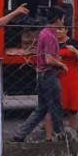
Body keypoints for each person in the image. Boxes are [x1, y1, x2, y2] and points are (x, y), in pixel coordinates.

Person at [11, 8, 68, 143]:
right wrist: (61, 64)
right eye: (63, 19)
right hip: (48, 74)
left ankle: (20, 134)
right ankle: (61, 135)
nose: (64, 22)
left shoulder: (44, 33)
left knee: (42, 108)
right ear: (58, 19)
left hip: (41, 74)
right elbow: (48, 59)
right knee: (55, 106)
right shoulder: (49, 35)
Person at [45, 27, 78, 139]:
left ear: (66, 30)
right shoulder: (50, 42)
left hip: (71, 79)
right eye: (56, 29)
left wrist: (74, 51)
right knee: (51, 109)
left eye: (61, 29)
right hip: (56, 78)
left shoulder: (73, 43)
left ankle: (74, 136)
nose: (58, 32)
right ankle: (48, 138)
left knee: (73, 109)